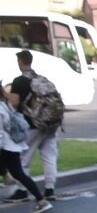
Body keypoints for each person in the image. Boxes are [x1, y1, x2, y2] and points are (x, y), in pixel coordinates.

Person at [13, 49, 63, 201]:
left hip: (32, 124)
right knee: (49, 156)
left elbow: (14, 103)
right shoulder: (42, 79)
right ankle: (50, 189)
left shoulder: (19, 81)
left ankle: (22, 191)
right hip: (51, 123)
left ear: (20, 62)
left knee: (23, 159)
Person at [1, 81, 52, 213]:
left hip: (4, 147)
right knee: (19, 174)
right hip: (12, 146)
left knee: (17, 174)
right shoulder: (6, 104)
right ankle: (41, 201)